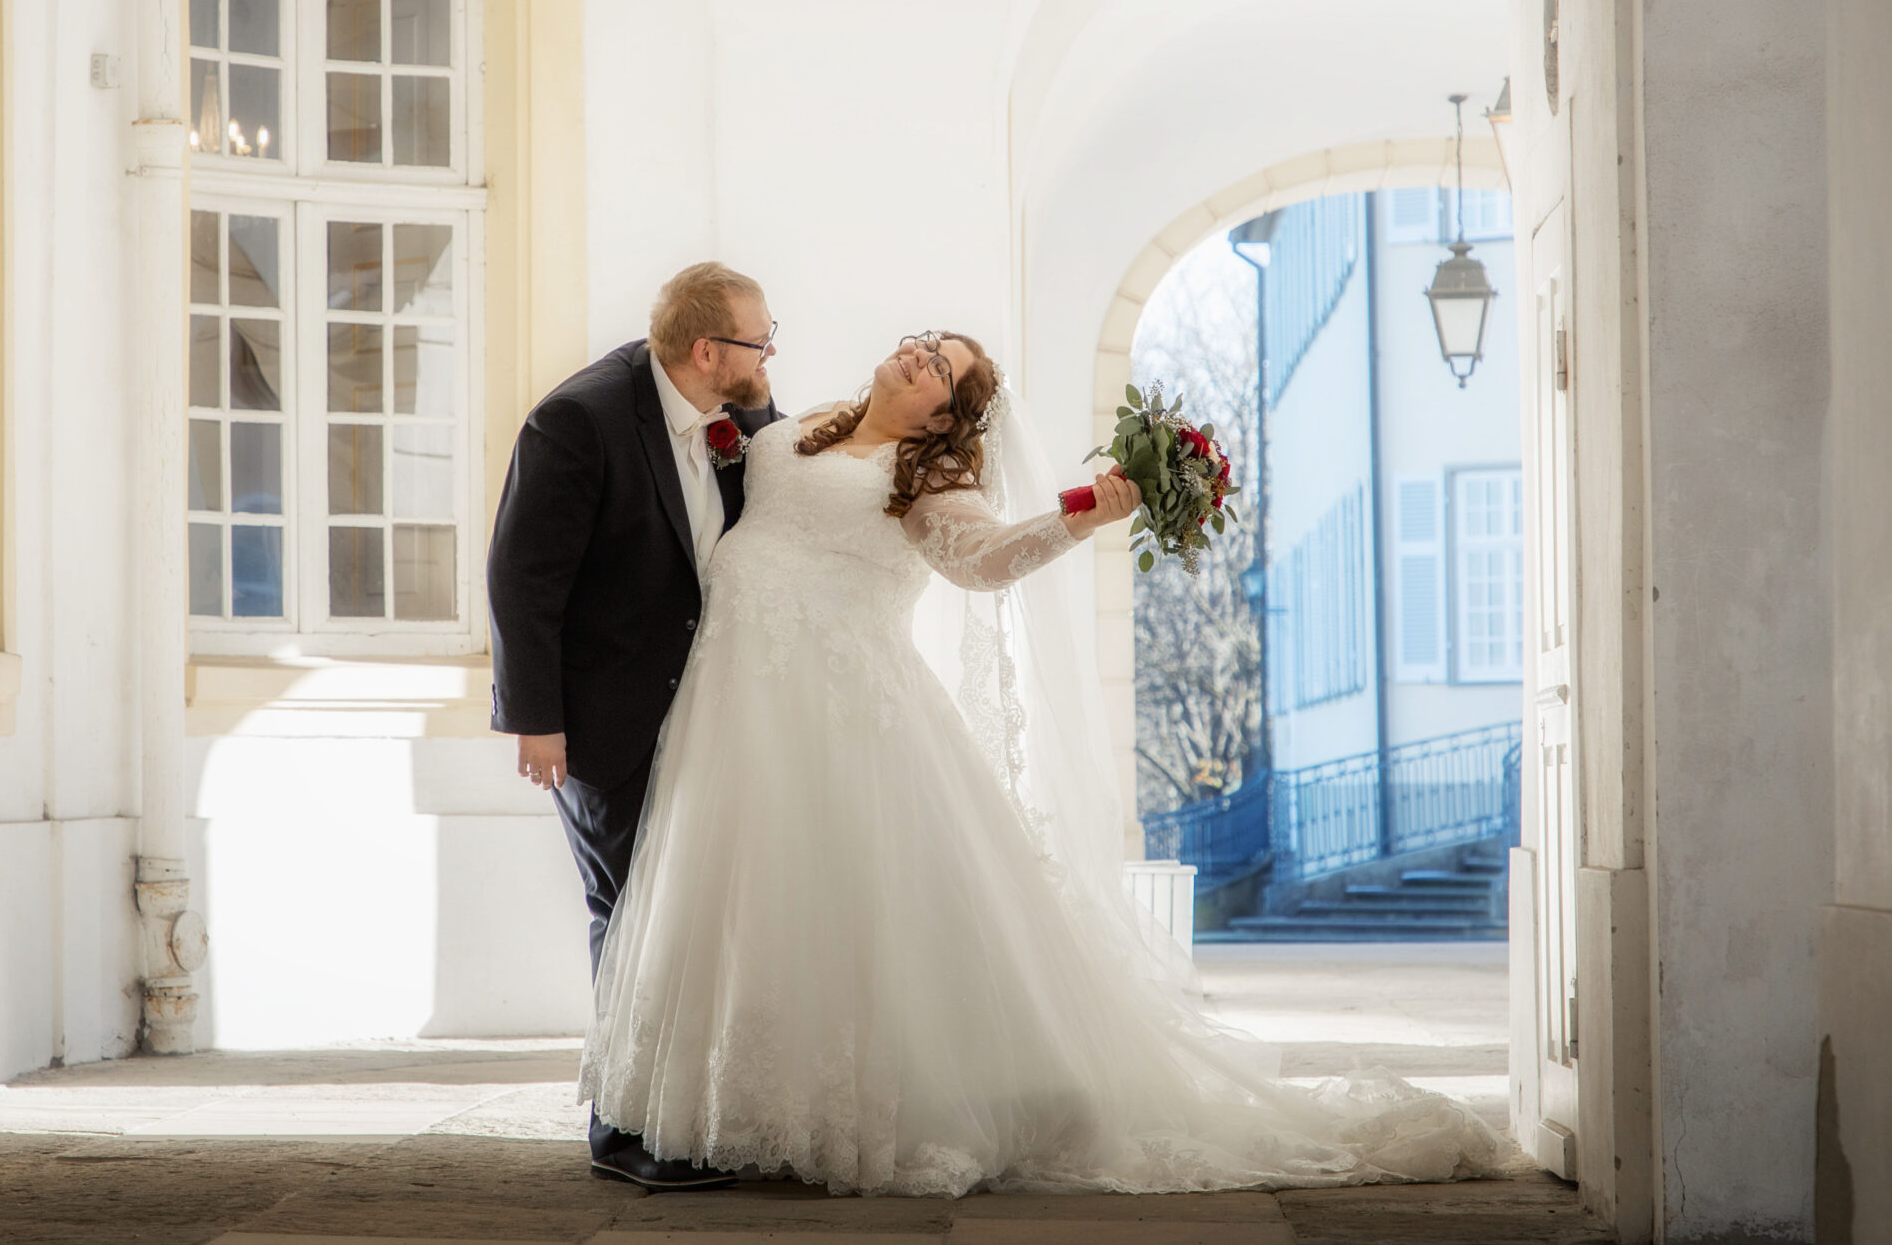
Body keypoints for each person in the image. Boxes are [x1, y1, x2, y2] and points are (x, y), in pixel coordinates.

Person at [579, 331, 1510, 1196]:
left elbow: (983, 559)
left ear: (945, 417)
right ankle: (715, 1113)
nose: (919, 356)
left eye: (942, 367)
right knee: (738, 893)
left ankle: (833, 1116)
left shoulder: (930, 476)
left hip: (835, 708)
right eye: (924, 343)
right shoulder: (798, 428)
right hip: (737, 698)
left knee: (831, 902)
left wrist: (1080, 516)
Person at [487, 262, 782, 1189]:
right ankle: (622, 1131)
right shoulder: (578, 420)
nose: (771, 357)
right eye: (761, 341)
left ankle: (683, 1112)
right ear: (708, 350)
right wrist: (536, 720)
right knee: (626, 916)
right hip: (604, 715)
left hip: (708, 712)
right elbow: (522, 577)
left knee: (682, 920)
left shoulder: (739, 418)